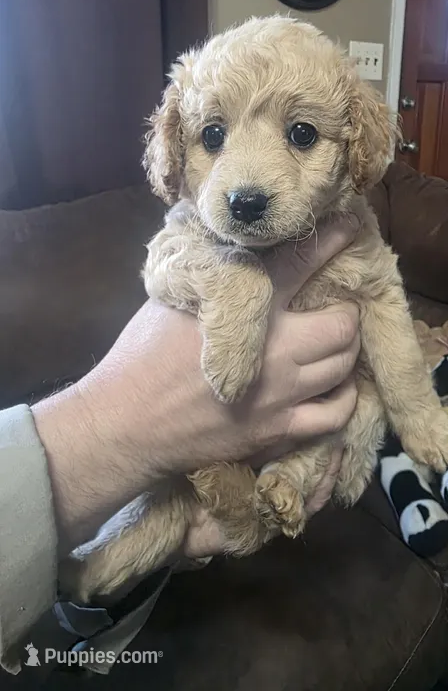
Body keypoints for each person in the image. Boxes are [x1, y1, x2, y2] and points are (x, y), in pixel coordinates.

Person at [0, 217, 361, 674]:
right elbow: (164, 265)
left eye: (302, 138)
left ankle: (88, 592)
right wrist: (107, 423)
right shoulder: (193, 220)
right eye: (213, 138)